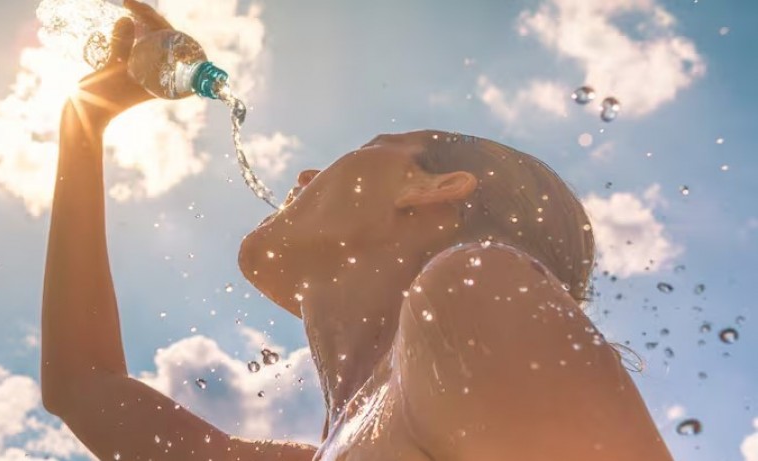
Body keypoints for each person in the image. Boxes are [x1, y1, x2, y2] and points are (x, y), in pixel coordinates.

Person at [40, 1, 675, 459]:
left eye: (373, 145)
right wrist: (85, 123)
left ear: (433, 188)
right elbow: (83, 385)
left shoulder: (471, 289)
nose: (308, 173)